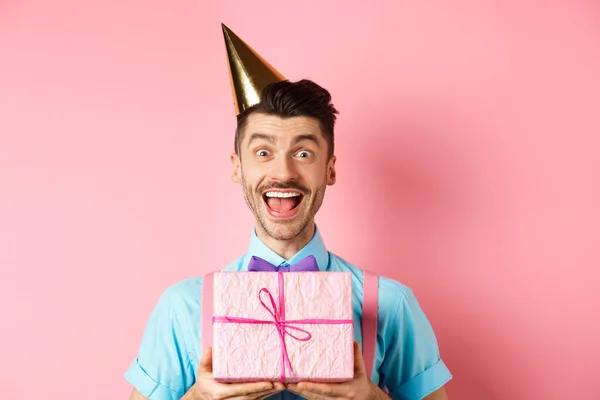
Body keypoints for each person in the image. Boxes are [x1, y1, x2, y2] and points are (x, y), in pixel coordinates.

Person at [125, 24, 452, 400]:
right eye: (263, 153)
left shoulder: (391, 305)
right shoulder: (183, 307)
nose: (282, 172)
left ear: (329, 168)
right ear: (237, 167)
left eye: (303, 154)